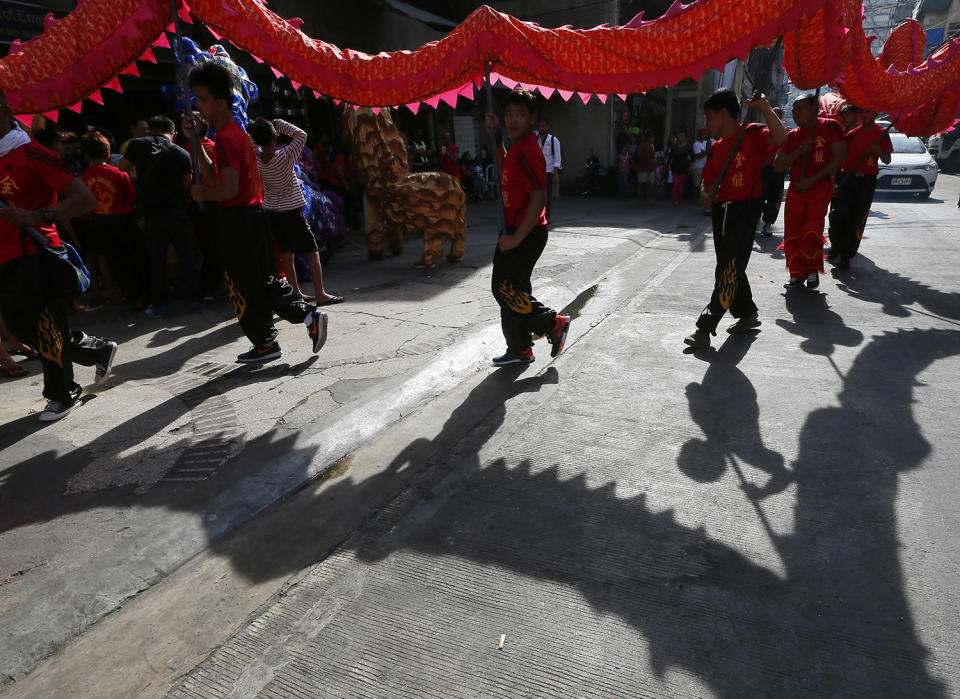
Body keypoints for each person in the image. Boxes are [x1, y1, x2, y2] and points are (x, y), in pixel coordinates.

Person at [186, 62, 328, 363]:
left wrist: (204, 194)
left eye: (201, 98)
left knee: (243, 287)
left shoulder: (227, 137)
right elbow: (215, 177)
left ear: (221, 103)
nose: (197, 105)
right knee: (263, 283)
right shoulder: (233, 134)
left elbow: (225, 189)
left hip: (237, 219)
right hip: (253, 217)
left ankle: (268, 341)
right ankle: (295, 325)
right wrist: (197, 142)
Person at [0, 89, 118, 421]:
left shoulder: (32, 153)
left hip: (35, 253)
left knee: (44, 325)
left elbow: (84, 199)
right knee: (22, 330)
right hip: (4, 256)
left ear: (5, 111)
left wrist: (38, 215)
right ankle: (95, 348)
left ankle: (63, 393)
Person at [684, 89, 788, 349]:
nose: (706, 124)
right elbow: (707, 181)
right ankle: (747, 312)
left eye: (709, 117)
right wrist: (705, 195)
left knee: (727, 269)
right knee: (731, 265)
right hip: (722, 213)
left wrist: (763, 106)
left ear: (723, 113)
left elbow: (781, 138)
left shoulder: (753, 134)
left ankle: (705, 327)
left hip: (745, 211)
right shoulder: (717, 148)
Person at [484, 87, 571, 366]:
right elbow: (503, 170)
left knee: (503, 289)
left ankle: (551, 323)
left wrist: (516, 238)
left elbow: (538, 199)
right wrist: (496, 137)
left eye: (520, 114)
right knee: (513, 290)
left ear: (533, 118)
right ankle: (519, 348)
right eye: (508, 114)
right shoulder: (515, 149)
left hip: (525, 232)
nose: (513, 120)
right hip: (513, 230)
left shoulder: (529, 151)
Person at [247, 117, 343, 306]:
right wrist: (280, 124)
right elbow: (301, 135)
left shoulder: (257, 158)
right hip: (292, 210)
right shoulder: (285, 155)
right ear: (274, 139)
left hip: (273, 211)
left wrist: (265, 129)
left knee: (286, 252)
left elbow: (250, 138)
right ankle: (320, 293)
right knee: (311, 250)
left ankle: (296, 293)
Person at [119, 115, 202, 316]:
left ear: (152, 130)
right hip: (177, 212)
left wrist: (140, 183)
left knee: (156, 261)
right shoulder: (181, 152)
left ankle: (159, 305)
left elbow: (121, 169)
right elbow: (186, 185)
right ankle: (196, 301)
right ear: (173, 134)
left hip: (152, 215)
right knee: (187, 258)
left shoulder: (137, 144)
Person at [774, 94, 846, 289]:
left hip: (820, 187)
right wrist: (799, 151)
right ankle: (796, 274)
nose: (795, 112)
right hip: (797, 189)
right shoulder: (792, 136)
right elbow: (778, 166)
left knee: (811, 230)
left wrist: (813, 180)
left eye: (800, 108)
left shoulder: (830, 127)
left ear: (814, 109)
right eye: (794, 108)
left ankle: (812, 270)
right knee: (793, 231)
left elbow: (839, 155)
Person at [81, 132, 146, 306]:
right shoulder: (119, 173)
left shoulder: (84, 177)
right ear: (107, 153)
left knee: (116, 262)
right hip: (123, 221)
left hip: (99, 222)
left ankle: (131, 297)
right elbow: (133, 197)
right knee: (135, 257)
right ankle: (143, 294)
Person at [826, 107, 892, 269]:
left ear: (875, 113)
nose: (863, 115)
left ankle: (847, 255)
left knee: (856, 219)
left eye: (867, 112)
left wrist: (878, 150)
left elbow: (887, 159)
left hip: (866, 182)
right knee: (839, 215)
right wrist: (833, 182)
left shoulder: (882, 133)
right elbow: (838, 158)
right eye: (861, 112)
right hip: (847, 179)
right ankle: (835, 247)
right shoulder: (852, 134)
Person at [179, 111, 223, 301]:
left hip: (202, 203)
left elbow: (186, 182)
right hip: (217, 201)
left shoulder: (185, 150)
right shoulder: (216, 147)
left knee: (207, 247)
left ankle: (207, 286)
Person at [759, 107, 787, 236]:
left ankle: (768, 223)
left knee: (775, 196)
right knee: (759, 194)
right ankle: (755, 218)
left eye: (776, 115)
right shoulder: (761, 132)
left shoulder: (786, 132)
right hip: (763, 168)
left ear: (780, 117)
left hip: (778, 169)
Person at [537, 119, 561, 220]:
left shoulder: (553, 140)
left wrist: (556, 174)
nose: (541, 128)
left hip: (548, 171)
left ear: (547, 127)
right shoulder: (535, 139)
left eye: (543, 126)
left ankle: (546, 216)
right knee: (537, 195)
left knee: (547, 195)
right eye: (540, 126)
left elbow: (557, 158)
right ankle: (538, 215)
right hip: (537, 171)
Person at [634, 132, 656, 205]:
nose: (653, 139)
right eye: (652, 138)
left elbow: (653, 156)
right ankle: (638, 200)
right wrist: (646, 153)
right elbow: (638, 157)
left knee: (650, 184)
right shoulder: (641, 146)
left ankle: (649, 200)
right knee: (640, 184)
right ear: (648, 139)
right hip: (642, 168)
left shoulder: (651, 146)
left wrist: (650, 152)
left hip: (650, 168)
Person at [691, 128, 709, 194]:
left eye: (705, 134)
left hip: (705, 166)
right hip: (698, 167)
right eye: (703, 134)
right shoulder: (696, 144)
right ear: (699, 135)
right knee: (696, 184)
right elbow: (698, 156)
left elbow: (709, 152)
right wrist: (706, 152)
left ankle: (699, 198)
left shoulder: (705, 142)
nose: (704, 136)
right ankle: (694, 198)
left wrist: (704, 152)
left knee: (702, 184)